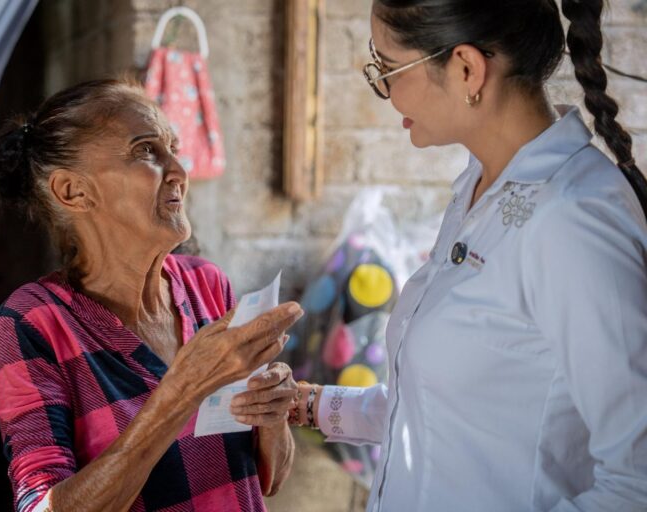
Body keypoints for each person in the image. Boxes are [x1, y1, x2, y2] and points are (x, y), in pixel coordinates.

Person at [262, 1, 647, 510]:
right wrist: (311, 405)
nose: (383, 91)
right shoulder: (481, 186)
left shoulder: (572, 218)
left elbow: (636, 481)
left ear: (467, 68)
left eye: (388, 68)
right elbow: (456, 409)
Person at [0, 78, 303, 512]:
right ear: (72, 191)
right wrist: (179, 393)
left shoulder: (207, 285)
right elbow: (42, 506)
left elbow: (267, 479)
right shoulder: (32, 322)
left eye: (172, 147)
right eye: (145, 151)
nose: (179, 171)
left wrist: (272, 419)